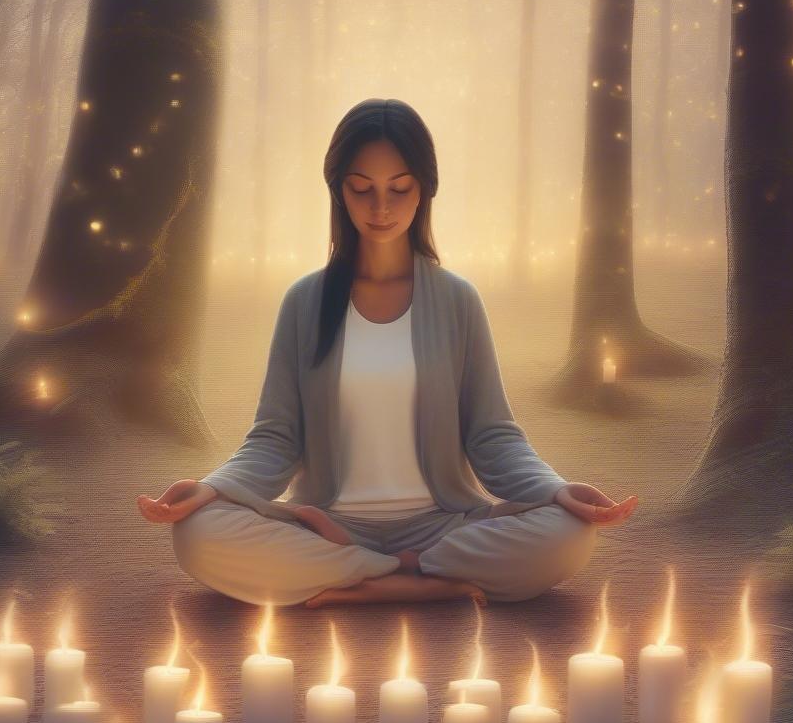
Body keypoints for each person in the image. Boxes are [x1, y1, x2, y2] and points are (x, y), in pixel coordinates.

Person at [138, 98, 637, 608]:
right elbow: (276, 438)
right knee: (197, 534)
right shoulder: (304, 302)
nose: (381, 208)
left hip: (442, 527)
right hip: (327, 526)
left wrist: (556, 490)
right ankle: (404, 579)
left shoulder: (456, 300)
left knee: (569, 534)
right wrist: (214, 489)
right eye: (362, 189)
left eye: (399, 189)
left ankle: (365, 580)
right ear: (338, 190)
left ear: (424, 189)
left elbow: (491, 435)